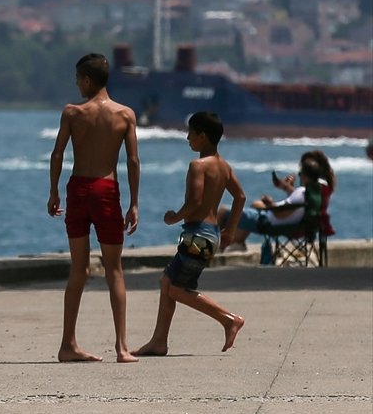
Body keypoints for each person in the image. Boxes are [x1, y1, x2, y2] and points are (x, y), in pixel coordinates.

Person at [47, 53, 140, 364]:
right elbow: (132, 161)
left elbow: (57, 154)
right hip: (106, 191)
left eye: (78, 79)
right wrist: (134, 202)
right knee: (114, 269)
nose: (76, 84)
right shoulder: (125, 114)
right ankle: (122, 347)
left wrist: (53, 191)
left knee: (79, 269)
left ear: (87, 80)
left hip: (78, 190)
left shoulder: (73, 113)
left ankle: (67, 344)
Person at [135, 112, 246, 356]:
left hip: (198, 235)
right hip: (210, 234)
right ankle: (159, 341)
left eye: (190, 133)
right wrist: (229, 230)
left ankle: (229, 320)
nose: (187, 138)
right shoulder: (223, 166)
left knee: (177, 289)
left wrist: (174, 217)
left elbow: (195, 201)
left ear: (202, 136)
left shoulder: (198, 166)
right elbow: (240, 197)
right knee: (167, 282)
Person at [220, 157, 323, 250]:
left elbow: (280, 214)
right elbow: (294, 204)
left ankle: (213, 245)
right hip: (288, 224)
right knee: (255, 204)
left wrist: (269, 203)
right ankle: (238, 243)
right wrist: (285, 187)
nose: (299, 176)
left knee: (223, 211)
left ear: (305, 176)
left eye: (300, 174)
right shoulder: (312, 193)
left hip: (269, 224)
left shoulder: (301, 192)